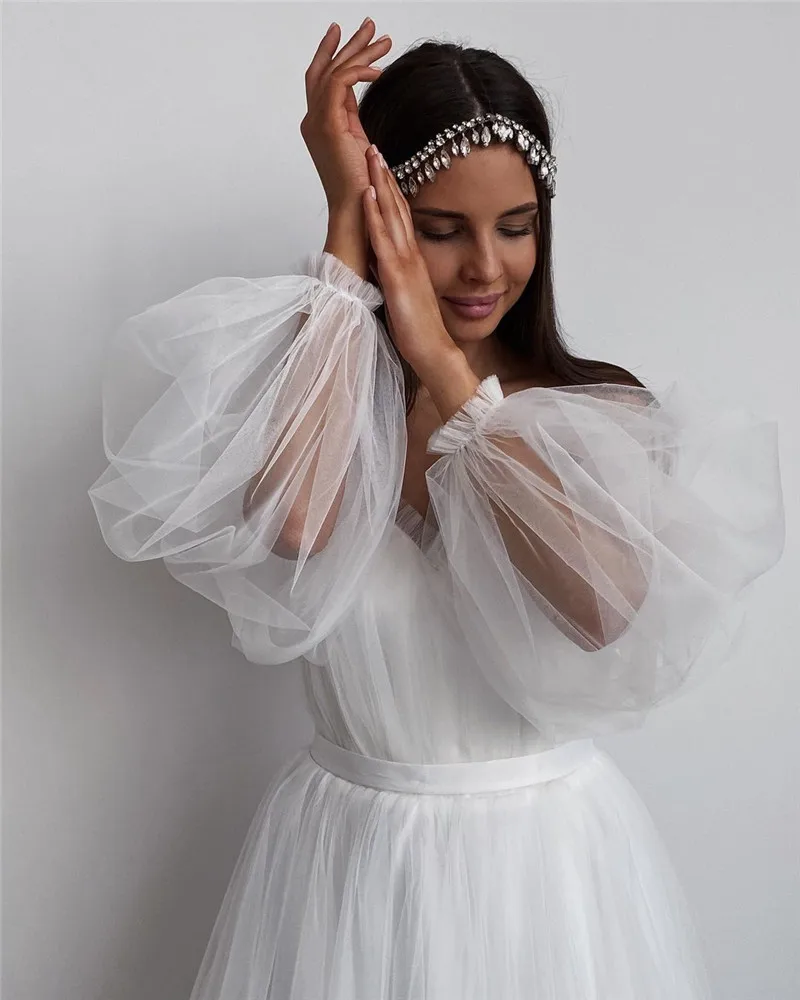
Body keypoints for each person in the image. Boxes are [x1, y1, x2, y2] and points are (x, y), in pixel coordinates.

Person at [87, 19, 786, 1000]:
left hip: (539, 877)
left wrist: (450, 380)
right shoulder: (324, 398)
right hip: (346, 866)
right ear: (387, 214)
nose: (485, 267)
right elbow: (298, 525)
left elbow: (602, 609)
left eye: (516, 226)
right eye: (441, 227)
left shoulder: (593, 415)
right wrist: (342, 225)